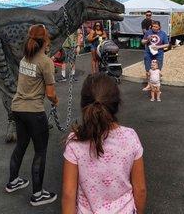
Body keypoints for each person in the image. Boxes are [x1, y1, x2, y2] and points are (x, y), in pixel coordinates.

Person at [62, 73, 146, 214]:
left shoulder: (75, 142)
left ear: (84, 105)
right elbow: (140, 189)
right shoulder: (130, 137)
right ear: (116, 104)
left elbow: (68, 194)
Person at [6, 24, 59, 207]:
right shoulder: (45, 62)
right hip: (34, 111)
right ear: (45, 40)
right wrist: (55, 101)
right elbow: (51, 94)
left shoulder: (25, 59)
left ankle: (13, 181)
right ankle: (37, 194)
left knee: (21, 145)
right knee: (40, 151)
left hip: (18, 108)